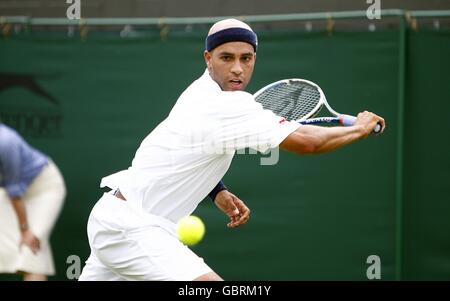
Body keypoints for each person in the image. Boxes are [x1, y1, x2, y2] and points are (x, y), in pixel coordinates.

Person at [79, 19, 385, 281]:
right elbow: (308, 142)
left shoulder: (198, 92)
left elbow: (183, 150)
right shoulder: (228, 104)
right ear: (208, 58)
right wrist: (358, 129)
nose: (237, 69)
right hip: (131, 226)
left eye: (246, 58)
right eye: (226, 58)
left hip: (116, 220)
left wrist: (217, 190)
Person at [0, 123, 66, 281]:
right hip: (10, 192)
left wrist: (25, 229)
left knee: (31, 249)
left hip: (44, 189)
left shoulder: (6, 141)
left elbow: (15, 192)